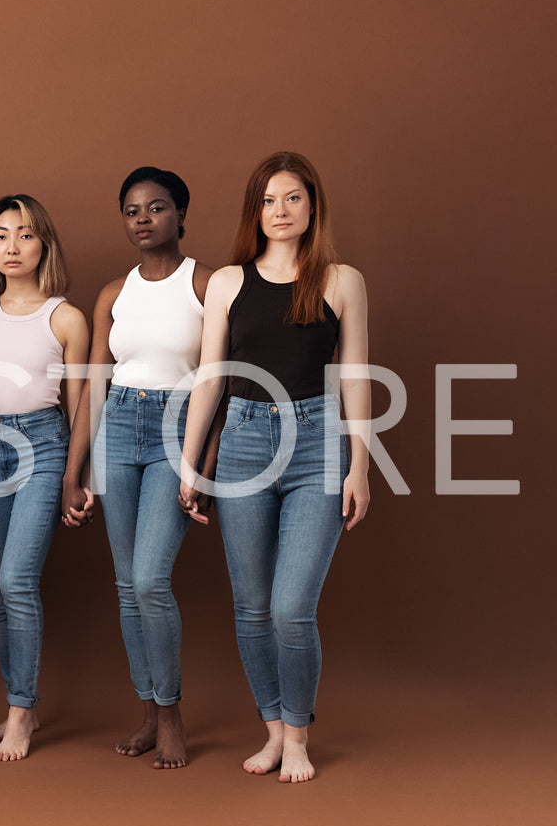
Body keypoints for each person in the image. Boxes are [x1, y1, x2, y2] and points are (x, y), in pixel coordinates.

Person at [179, 151, 371, 783]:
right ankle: (272, 730)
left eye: (292, 198)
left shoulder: (342, 280)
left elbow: (354, 376)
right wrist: (189, 461)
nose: (280, 211)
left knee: (293, 606)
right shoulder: (230, 283)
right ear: (253, 211)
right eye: (268, 200)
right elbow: (211, 377)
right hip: (242, 443)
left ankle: (299, 733)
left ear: (312, 205)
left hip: (317, 442)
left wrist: (360, 466)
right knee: (252, 604)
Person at [66, 167, 213, 769]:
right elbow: (93, 388)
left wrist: (200, 464)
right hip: (119, 427)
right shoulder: (112, 294)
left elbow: (220, 383)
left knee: (152, 578)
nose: (143, 219)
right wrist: (73, 473)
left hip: (179, 428)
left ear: (181, 214)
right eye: (132, 210)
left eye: (156, 207)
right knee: (127, 583)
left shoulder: (206, 283)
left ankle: (172, 709)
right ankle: (148, 712)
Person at [0, 194, 91, 761]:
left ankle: (20, 707)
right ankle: (23, 704)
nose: (12, 246)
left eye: (24, 235)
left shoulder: (65, 317)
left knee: (18, 580)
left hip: (42, 445)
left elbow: (80, 404)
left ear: (45, 243)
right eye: (0, 235)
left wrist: (75, 478)